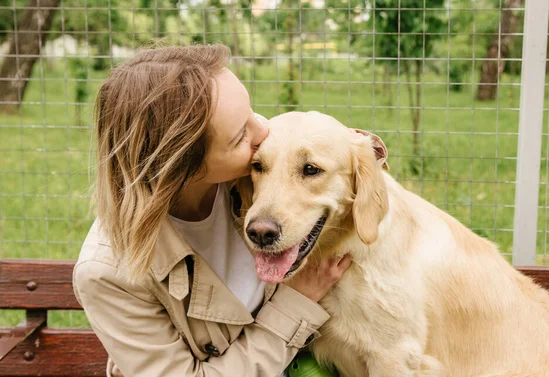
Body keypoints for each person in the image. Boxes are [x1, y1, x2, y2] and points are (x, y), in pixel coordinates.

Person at [73, 44, 352, 377]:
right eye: (239, 136)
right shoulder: (109, 274)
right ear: (180, 167)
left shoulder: (258, 174)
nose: (263, 131)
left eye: (252, 112)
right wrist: (296, 303)